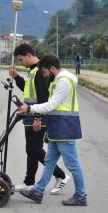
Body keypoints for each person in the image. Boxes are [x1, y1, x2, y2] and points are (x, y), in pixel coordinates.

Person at [18, 53, 87, 206]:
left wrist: (29, 108)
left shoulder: (64, 82)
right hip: (57, 128)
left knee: (72, 164)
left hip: (65, 128)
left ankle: (81, 195)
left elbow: (51, 105)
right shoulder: (57, 80)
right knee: (49, 161)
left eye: (44, 72)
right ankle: (38, 191)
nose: (44, 75)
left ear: (52, 68)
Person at [9, 44, 70, 194]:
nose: (20, 62)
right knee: (31, 149)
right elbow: (28, 90)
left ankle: (61, 176)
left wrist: (38, 118)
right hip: (30, 115)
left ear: (29, 55)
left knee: (35, 149)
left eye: (21, 59)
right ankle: (29, 182)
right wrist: (16, 77)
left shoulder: (39, 72)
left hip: (37, 116)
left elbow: (43, 97)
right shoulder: (32, 71)